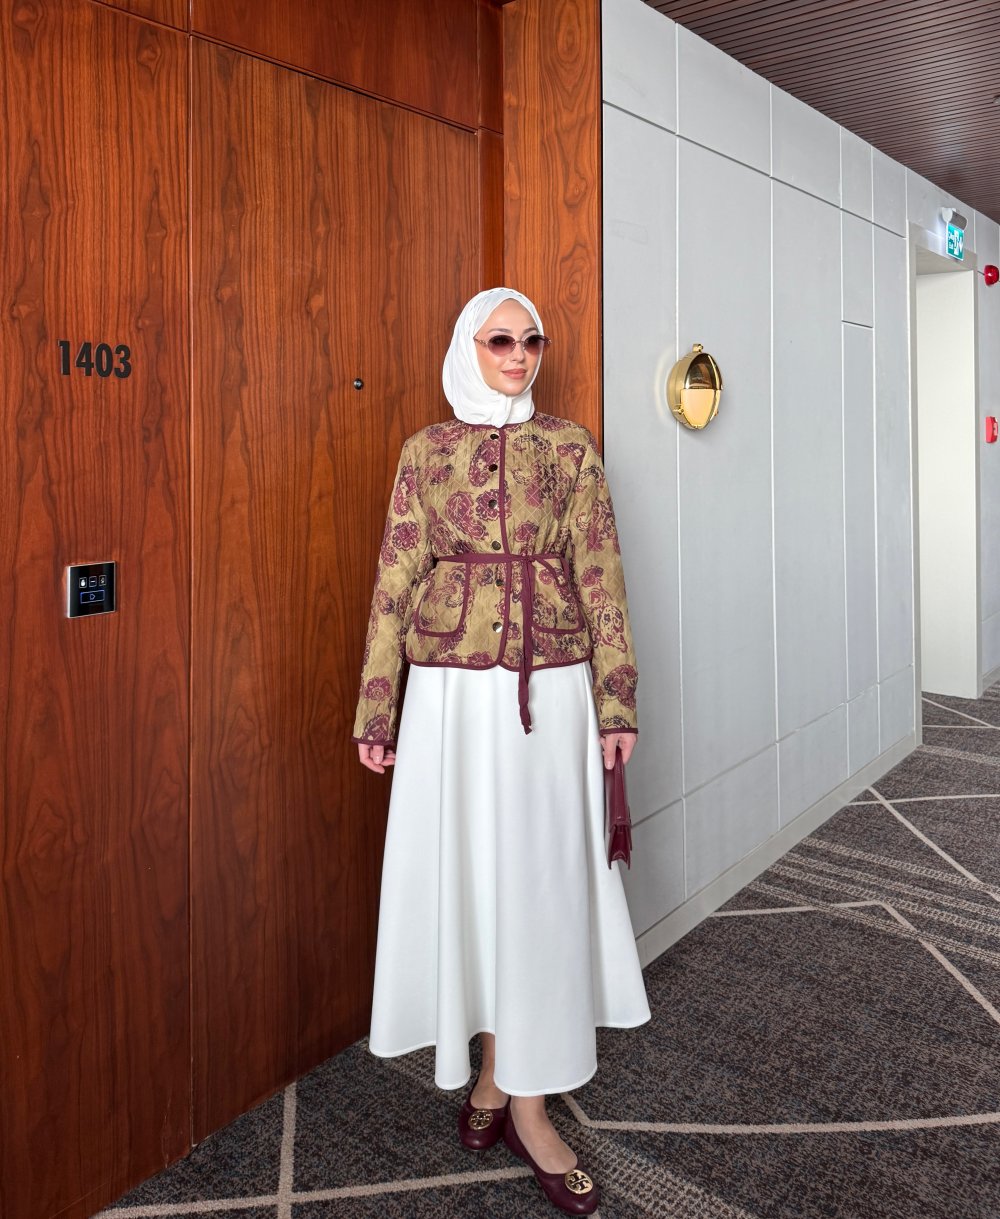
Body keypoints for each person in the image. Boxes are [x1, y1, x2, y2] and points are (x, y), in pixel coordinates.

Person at [353, 287, 650, 1215]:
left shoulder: (569, 447)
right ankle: (490, 1070)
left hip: (549, 692)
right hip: (450, 698)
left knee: (537, 882)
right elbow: (395, 578)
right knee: (475, 878)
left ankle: (527, 1101)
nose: (519, 356)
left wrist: (615, 698)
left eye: (531, 341)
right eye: (500, 341)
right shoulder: (425, 452)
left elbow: (600, 572)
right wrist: (376, 708)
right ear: (468, 348)